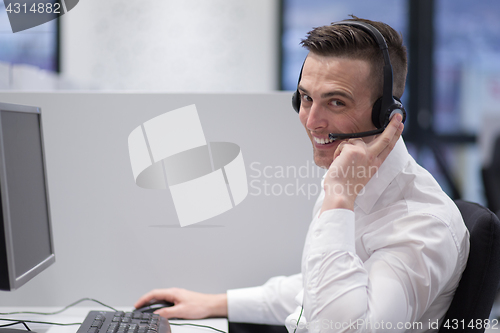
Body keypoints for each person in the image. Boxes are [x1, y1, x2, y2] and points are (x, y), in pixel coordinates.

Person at [134, 17, 469, 332]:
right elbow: (317, 288)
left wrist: (339, 197)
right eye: (306, 98)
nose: (311, 122)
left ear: (387, 115)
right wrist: (216, 303)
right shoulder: (352, 177)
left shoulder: (424, 225)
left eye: (336, 102)